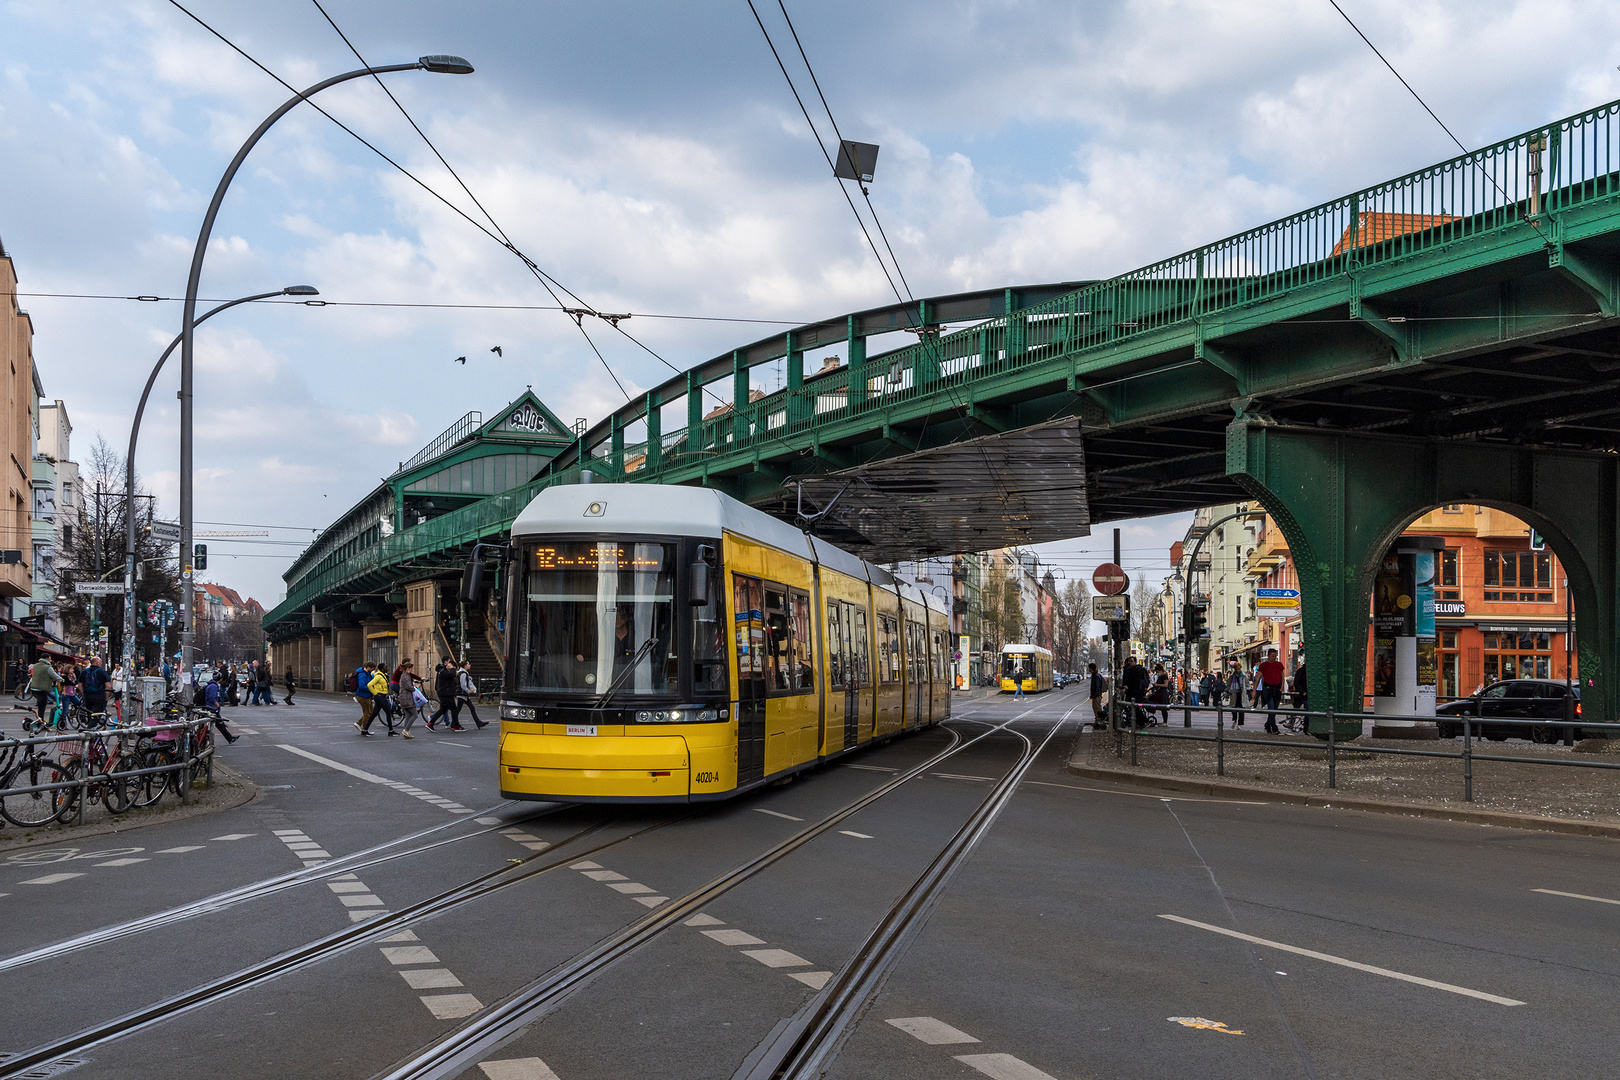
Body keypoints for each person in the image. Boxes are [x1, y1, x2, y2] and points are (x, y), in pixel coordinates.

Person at [203, 673, 238, 743]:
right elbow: (211, 697)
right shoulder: (213, 686)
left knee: (219, 725)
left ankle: (230, 738)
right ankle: (230, 738)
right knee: (220, 724)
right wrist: (217, 704)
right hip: (212, 708)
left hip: (209, 707)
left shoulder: (210, 685)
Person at [1257, 648, 1286, 733]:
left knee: (1275, 708)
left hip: (1277, 688)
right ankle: (1274, 727)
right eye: (1272, 656)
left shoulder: (1279, 664)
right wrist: (1255, 689)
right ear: (1268, 656)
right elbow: (1258, 678)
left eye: (1275, 656)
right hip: (1268, 688)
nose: (1274, 658)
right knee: (1271, 707)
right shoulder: (1263, 665)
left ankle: (1267, 724)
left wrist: (1282, 687)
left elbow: (1282, 676)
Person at [27, 655, 62, 723]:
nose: (50, 660)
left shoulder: (36, 665)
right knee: (42, 705)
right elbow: (55, 676)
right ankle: (40, 721)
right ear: (47, 658)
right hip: (42, 689)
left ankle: (41, 720)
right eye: (50, 658)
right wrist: (63, 680)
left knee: (41, 705)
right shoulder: (48, 667)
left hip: (34, 688)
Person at [427, 659, 460, 730]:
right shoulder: (443, 672)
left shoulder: (443, 671)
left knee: (443, 709)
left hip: (445, 693)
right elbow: (452, 674)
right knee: (454, 709)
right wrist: (452, 669)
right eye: (450, 665)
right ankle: (455, 726)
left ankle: (431, 723)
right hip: (446, 694)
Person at [395, 660, 422, 739]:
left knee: (408, 715)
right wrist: (415, 687)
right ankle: (406, 730)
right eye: (410, 669)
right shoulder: (406, 676)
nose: (411, 671)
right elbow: (409, 687)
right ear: (407, 669)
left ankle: (406, 731)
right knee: (415, 714)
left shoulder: (403, 675)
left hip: (403, 698)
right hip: (407, 698)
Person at [458, 661, 489, 728]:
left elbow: (466, 681)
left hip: (463, 695)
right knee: (458, 710)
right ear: (465, 666)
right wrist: (469, 691)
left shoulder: (463, 673)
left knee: (471, 708)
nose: (469, 665)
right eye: (468, 664)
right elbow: (463, 685)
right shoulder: (463, 674)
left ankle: (479, 723)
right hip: (462, 694)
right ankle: (453, 723)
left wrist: (469, 678)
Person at [368, 664, 395, 735]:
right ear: (382, 669)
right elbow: (369, 685)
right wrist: (375, 693)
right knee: (388, 711)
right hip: (380, 696)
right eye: (386, 667)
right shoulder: (378, 676)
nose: (387, 668)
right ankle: (391, 730)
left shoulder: (384, 675)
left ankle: (365, 729)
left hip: (382, 696)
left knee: (375, 713)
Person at [80, 656, 110, 720]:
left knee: (89, 713)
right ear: (96, 663)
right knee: (97, 714)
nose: (101, 663)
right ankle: (91, 727)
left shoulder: (85, 672)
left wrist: (84, 693)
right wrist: (106, 698)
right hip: (99, 696)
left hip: (87, 696)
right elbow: (108, 686)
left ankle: (90, 724)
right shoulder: (102, 672)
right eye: (100, 662)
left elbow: (79, 684)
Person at [354, 660, 376, 734]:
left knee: (370, 711)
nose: (372, 670)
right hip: (362, 695)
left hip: (366, 695)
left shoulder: (367, 674)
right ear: (368, 667)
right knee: (367, 712)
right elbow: (362, 685)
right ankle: (364, 729)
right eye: (372, 668)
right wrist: (371, 690)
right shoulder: (363, 674)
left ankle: (359, 723)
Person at [1087, 662, 1108, 729]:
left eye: (1089, 668)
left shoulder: (1095, 676)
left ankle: (1099, 721)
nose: (1088, 669)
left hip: (1096, 696)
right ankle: (1098, 720)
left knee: (1097, 708)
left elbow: (1096, 686)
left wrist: (1095, 696)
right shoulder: (1096, 675)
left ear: (1091, 669)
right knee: (1096, 708)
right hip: (1096, 695)